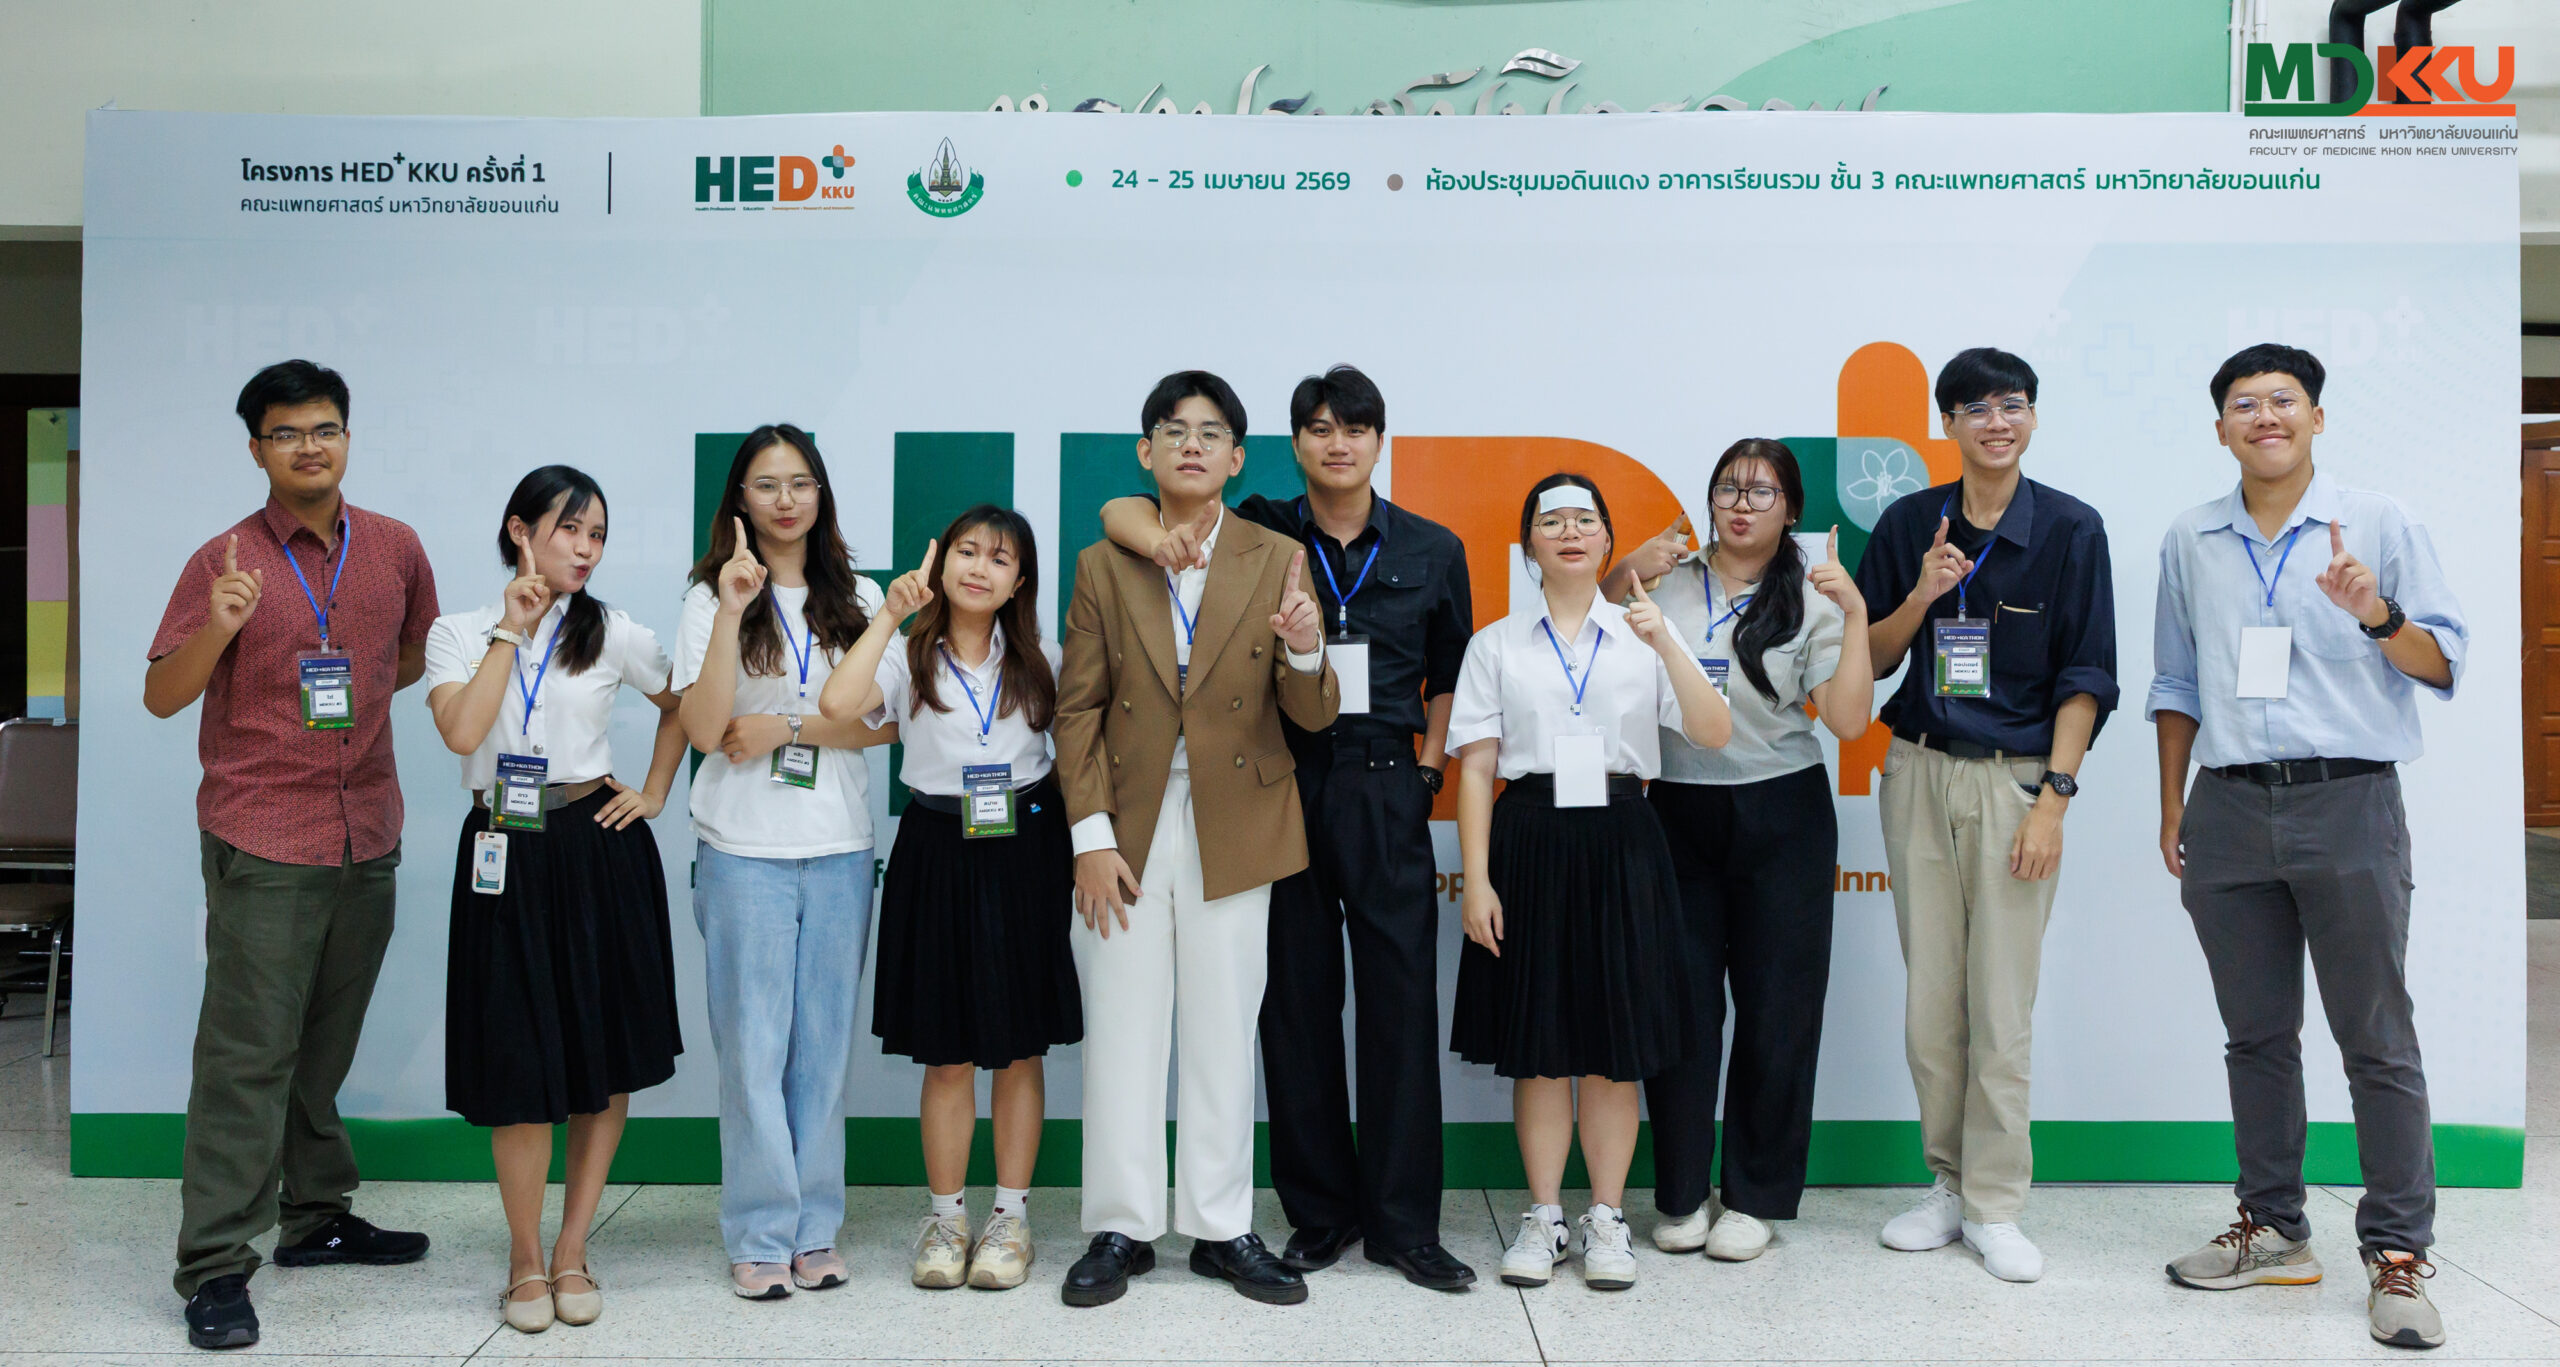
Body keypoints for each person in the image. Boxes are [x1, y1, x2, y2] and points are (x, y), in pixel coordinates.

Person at [1095, 364, 1476, 1290]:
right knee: (1294, 1007)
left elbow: (1450, 673)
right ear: (1293, 443)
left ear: (1380, 440)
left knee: (1399, 1004)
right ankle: (1321, 1212)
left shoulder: (1433, 546)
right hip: (1284, 782)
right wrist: (1149, 527)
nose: (1338, 443)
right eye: (1320, 428)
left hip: (1387, 784)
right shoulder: (1263, 527)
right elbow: (1128, 511)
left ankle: (1404, 1225)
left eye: (1355, 428)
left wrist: (1428, 771)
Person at [2150, 343, 2463, 1351]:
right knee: (2255, 1034)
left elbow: (2441, 662)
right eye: (2244, 403)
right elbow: (2175, 682)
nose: (2265, 416)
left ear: (2316, 418)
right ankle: (2275, 1224)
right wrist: (2172, 803)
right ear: (2221, 429)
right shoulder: (2191, 536)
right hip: (2228, 807)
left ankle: (2398, 1250)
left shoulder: (2377, 522)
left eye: (2283, 399)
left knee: (2375, 1036)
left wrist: (2375, 612)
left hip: (2349, 799)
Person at [145, 360, 439, 1351]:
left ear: (347, 436)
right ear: (256, 448)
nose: (309, 446)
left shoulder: (394, 546)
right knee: (247, 1058)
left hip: (368, 829)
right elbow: (162, 693)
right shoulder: (221, 558)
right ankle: (214, 1264)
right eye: (286, 432)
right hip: (265, 835)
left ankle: (314, 1216)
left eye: (325, 428)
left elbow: (412, 655)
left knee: (322, 1048)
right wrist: (220, 626)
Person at [1052, 370, 1339, 1307]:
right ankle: (1121, 1225)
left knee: (1223, 1027)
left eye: (1211, 433)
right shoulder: (1105, 562)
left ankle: (1220, 1226)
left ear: (1237, 458)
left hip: (1237, 818)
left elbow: (1313, 712)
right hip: (1125, 827)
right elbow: (1077, 710)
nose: (1191, 445)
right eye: (1173, 430)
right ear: (1147, 451)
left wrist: (1306, 646)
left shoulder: (1277, 554)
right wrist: (1090, 836)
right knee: (1122, 1028)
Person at [1851, 347, 2117, 1284]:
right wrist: (1922, 592)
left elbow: (2088, 676)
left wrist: (2054, 799)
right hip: (1919, 771)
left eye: (2012, 405)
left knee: (2001, 1005)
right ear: (1949, 424)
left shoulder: (2072, 529)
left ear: (2032, 417)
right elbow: (1869, 657)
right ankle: (1948, 1184)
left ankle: (1996, 1204)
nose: (1995, 422)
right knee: (1933, 1002)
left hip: (2017, 782)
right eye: (1976, 408)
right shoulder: (1908, 522)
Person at [1451, 473, 1732, 1293]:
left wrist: (1666, 641)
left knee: (1614, 1047)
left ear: (1609, 539)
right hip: (1529, 837)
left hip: (1622, 837)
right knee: (1539, 1048)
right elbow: (1476, 771)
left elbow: (1714, 730)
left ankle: (1607, 1217)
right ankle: (1543, 1216)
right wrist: (1477, 880)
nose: (1570, 532)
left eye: (1585, 520)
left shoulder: (1644, 632)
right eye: (1552, 522)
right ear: (1528, 545)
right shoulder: (1496, 644)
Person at [423, 465, 687, 1334]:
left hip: (593, 844)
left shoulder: (612, 631)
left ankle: (573, 1247)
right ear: (520, 531)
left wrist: (653, 790)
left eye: (597, 533)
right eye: (570, 528)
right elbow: (464, 730)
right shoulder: (458, 632)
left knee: (598, 1059)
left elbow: (683, 704)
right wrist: (512, 629)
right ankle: (523, 1257)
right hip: (501, 845)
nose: (585, 547)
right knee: (517, 1061)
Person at [1602, 438, 1873, 1262]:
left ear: (1790, 509)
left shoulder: (1813, 594)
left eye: (1761, 492)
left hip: (1782, 809)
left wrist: (1857, 615)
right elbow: (1585, 640)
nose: (1741, 505)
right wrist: (1623, 574)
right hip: (1677, 807)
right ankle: (1683, 1192)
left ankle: (1756, 1195)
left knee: (1777, 1010)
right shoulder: (1666, 578)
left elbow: (1850, 721)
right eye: (1728, 489)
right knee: (1681, 1007)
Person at [819, 506, 1078, 1292]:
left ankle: (1011, 1218)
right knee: (948, 1051)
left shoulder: (1046, 660)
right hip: (936, 846)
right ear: (941, 565)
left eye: (999, 558)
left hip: (1026, 848)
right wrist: (890, 614)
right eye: (967, 551)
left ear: (1020, 581)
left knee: (1021, 1046)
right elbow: (837, 705)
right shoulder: (907, 655)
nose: (979, 568)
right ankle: (946, 1218)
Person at [673, 426, 890, 1300]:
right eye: (767, 484)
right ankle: (761, 1231)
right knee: (754, 1049)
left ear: (821, 493)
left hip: (839, 847)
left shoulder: (861, 595)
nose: (787, 499)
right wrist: (733, 607)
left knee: (823, 1050)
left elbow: (879, 724)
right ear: (740, 499)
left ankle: (815, 1227)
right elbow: (702, 728)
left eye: (801, 482)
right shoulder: (709, 596)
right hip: (743, 851)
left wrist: (785, 728)